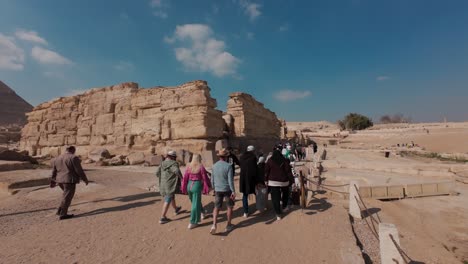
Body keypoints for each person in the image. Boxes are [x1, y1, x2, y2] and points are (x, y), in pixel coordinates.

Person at [50, 146, 89, 220]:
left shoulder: (57, 158)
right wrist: (85, 179)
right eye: (74, 150)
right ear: (72, 150)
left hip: (59, 180)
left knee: (65, 196)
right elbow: (79, 170)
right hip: (69, 180)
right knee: (67, 197)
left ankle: (60, 210)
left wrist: (53, 181)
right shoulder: (73, 157)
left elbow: (54, 171)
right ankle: (63, 214)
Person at [181, 154, 211, 229]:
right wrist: (208, 186)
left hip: (189, 185)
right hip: (196, 186)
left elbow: (185, 178)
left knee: (194, 202)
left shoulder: (188, 166)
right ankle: (193, 222)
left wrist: (183, 187)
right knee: (195, 204)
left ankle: (202, 212)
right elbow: (205, 178)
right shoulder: (201, 167)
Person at [210, 148, 236, 234]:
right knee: (229, 207)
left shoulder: (214, 166)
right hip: (227, 189)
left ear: (219, 157)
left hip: (217, 189)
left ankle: (214, 224)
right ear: (226, 157)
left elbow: (212, 179)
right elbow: (230, 180)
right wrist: (233, 191)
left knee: (216, 207)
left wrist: (213, 188)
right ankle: (228, 225)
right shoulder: (228, 166)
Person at [265, 149, 294, 221]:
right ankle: (284, 207)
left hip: (273, 182)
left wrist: (265, 179)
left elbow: (266, 171)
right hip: (284, 181)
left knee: (275, 198)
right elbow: (288, 171)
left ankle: (278, 214)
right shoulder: (284, 160)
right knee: (285, 194)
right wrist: (291, 180)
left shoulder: (270, 161)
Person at [156, 150, 182, 224]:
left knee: (171, 196)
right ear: (173, 157)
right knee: (168, 199)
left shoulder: (162, 163)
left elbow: (157, 173)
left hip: (163, 184)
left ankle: (176, 209)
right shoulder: (174, 163)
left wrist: (164, 177)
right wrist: (182, 178)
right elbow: (176, 171)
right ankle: (162, 217)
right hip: (170, 184)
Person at [239, 145, 258, 217]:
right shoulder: (253, 157)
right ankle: (260, 206)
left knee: (245, 195)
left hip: (243, 179)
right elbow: (255, 169)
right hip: (251, 178)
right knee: (257, 193)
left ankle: (245, 212)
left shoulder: (241, 157)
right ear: (253, 151)